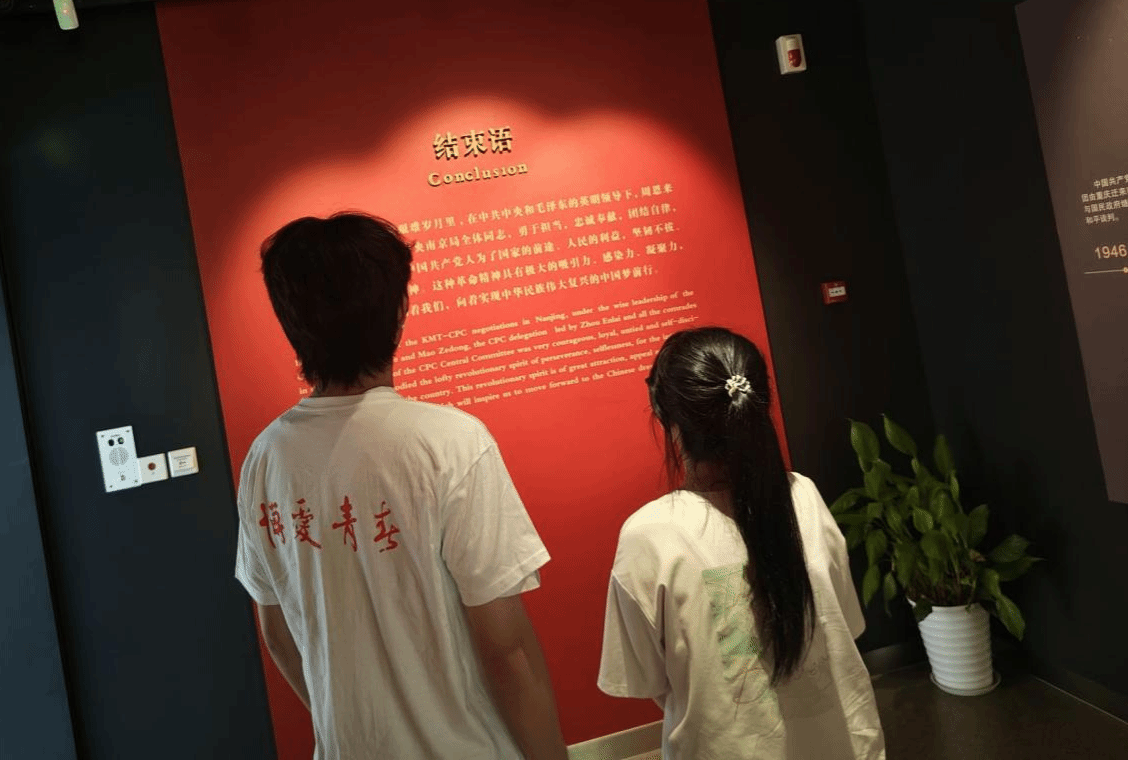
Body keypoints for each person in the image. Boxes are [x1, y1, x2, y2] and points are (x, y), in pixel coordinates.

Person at [235, 212, 568, 760]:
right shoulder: (452, 442)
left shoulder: (265, 458)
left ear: (291, 323)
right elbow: (505, 648)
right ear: (397, 313)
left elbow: (277, 634)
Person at [598, 327, 885, 759]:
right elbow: (844, 620)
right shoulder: (803, 496)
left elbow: (648, 678)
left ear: (670, 423)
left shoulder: (649, 536)